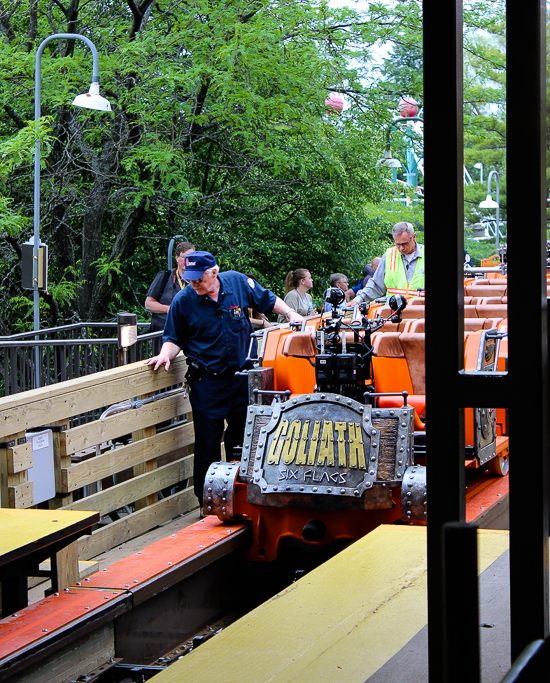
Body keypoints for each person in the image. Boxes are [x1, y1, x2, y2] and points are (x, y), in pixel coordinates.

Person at [144, 251, 304, 509]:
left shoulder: (238, 283)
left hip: (241, 379)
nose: (193, 284)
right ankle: (206, 503)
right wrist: (164, 355)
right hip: (207, 381)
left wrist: (290, 314)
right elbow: (173, 338)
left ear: (214, 273)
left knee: (243, 438)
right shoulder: (183, 301)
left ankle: (240, 495)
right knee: (207, 442)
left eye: (198, 280)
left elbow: (268, 299)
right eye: (189, 279)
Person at [348, 222, 425, 305]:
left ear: (414, 237)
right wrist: (357, 300)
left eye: (404, 244)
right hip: (393, 313)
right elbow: (376, 285)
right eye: (397, 244)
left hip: (420, 313)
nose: (401, 248)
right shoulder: (389, 255)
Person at [145, 241, 195, 351]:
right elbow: (148, 304)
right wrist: (169, 309)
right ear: (176, 257)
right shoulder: (165, 276)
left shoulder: (197, 280)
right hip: (164, 331)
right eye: (185, 257)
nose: (188, 261)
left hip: (188, 331)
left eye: (191, 257)